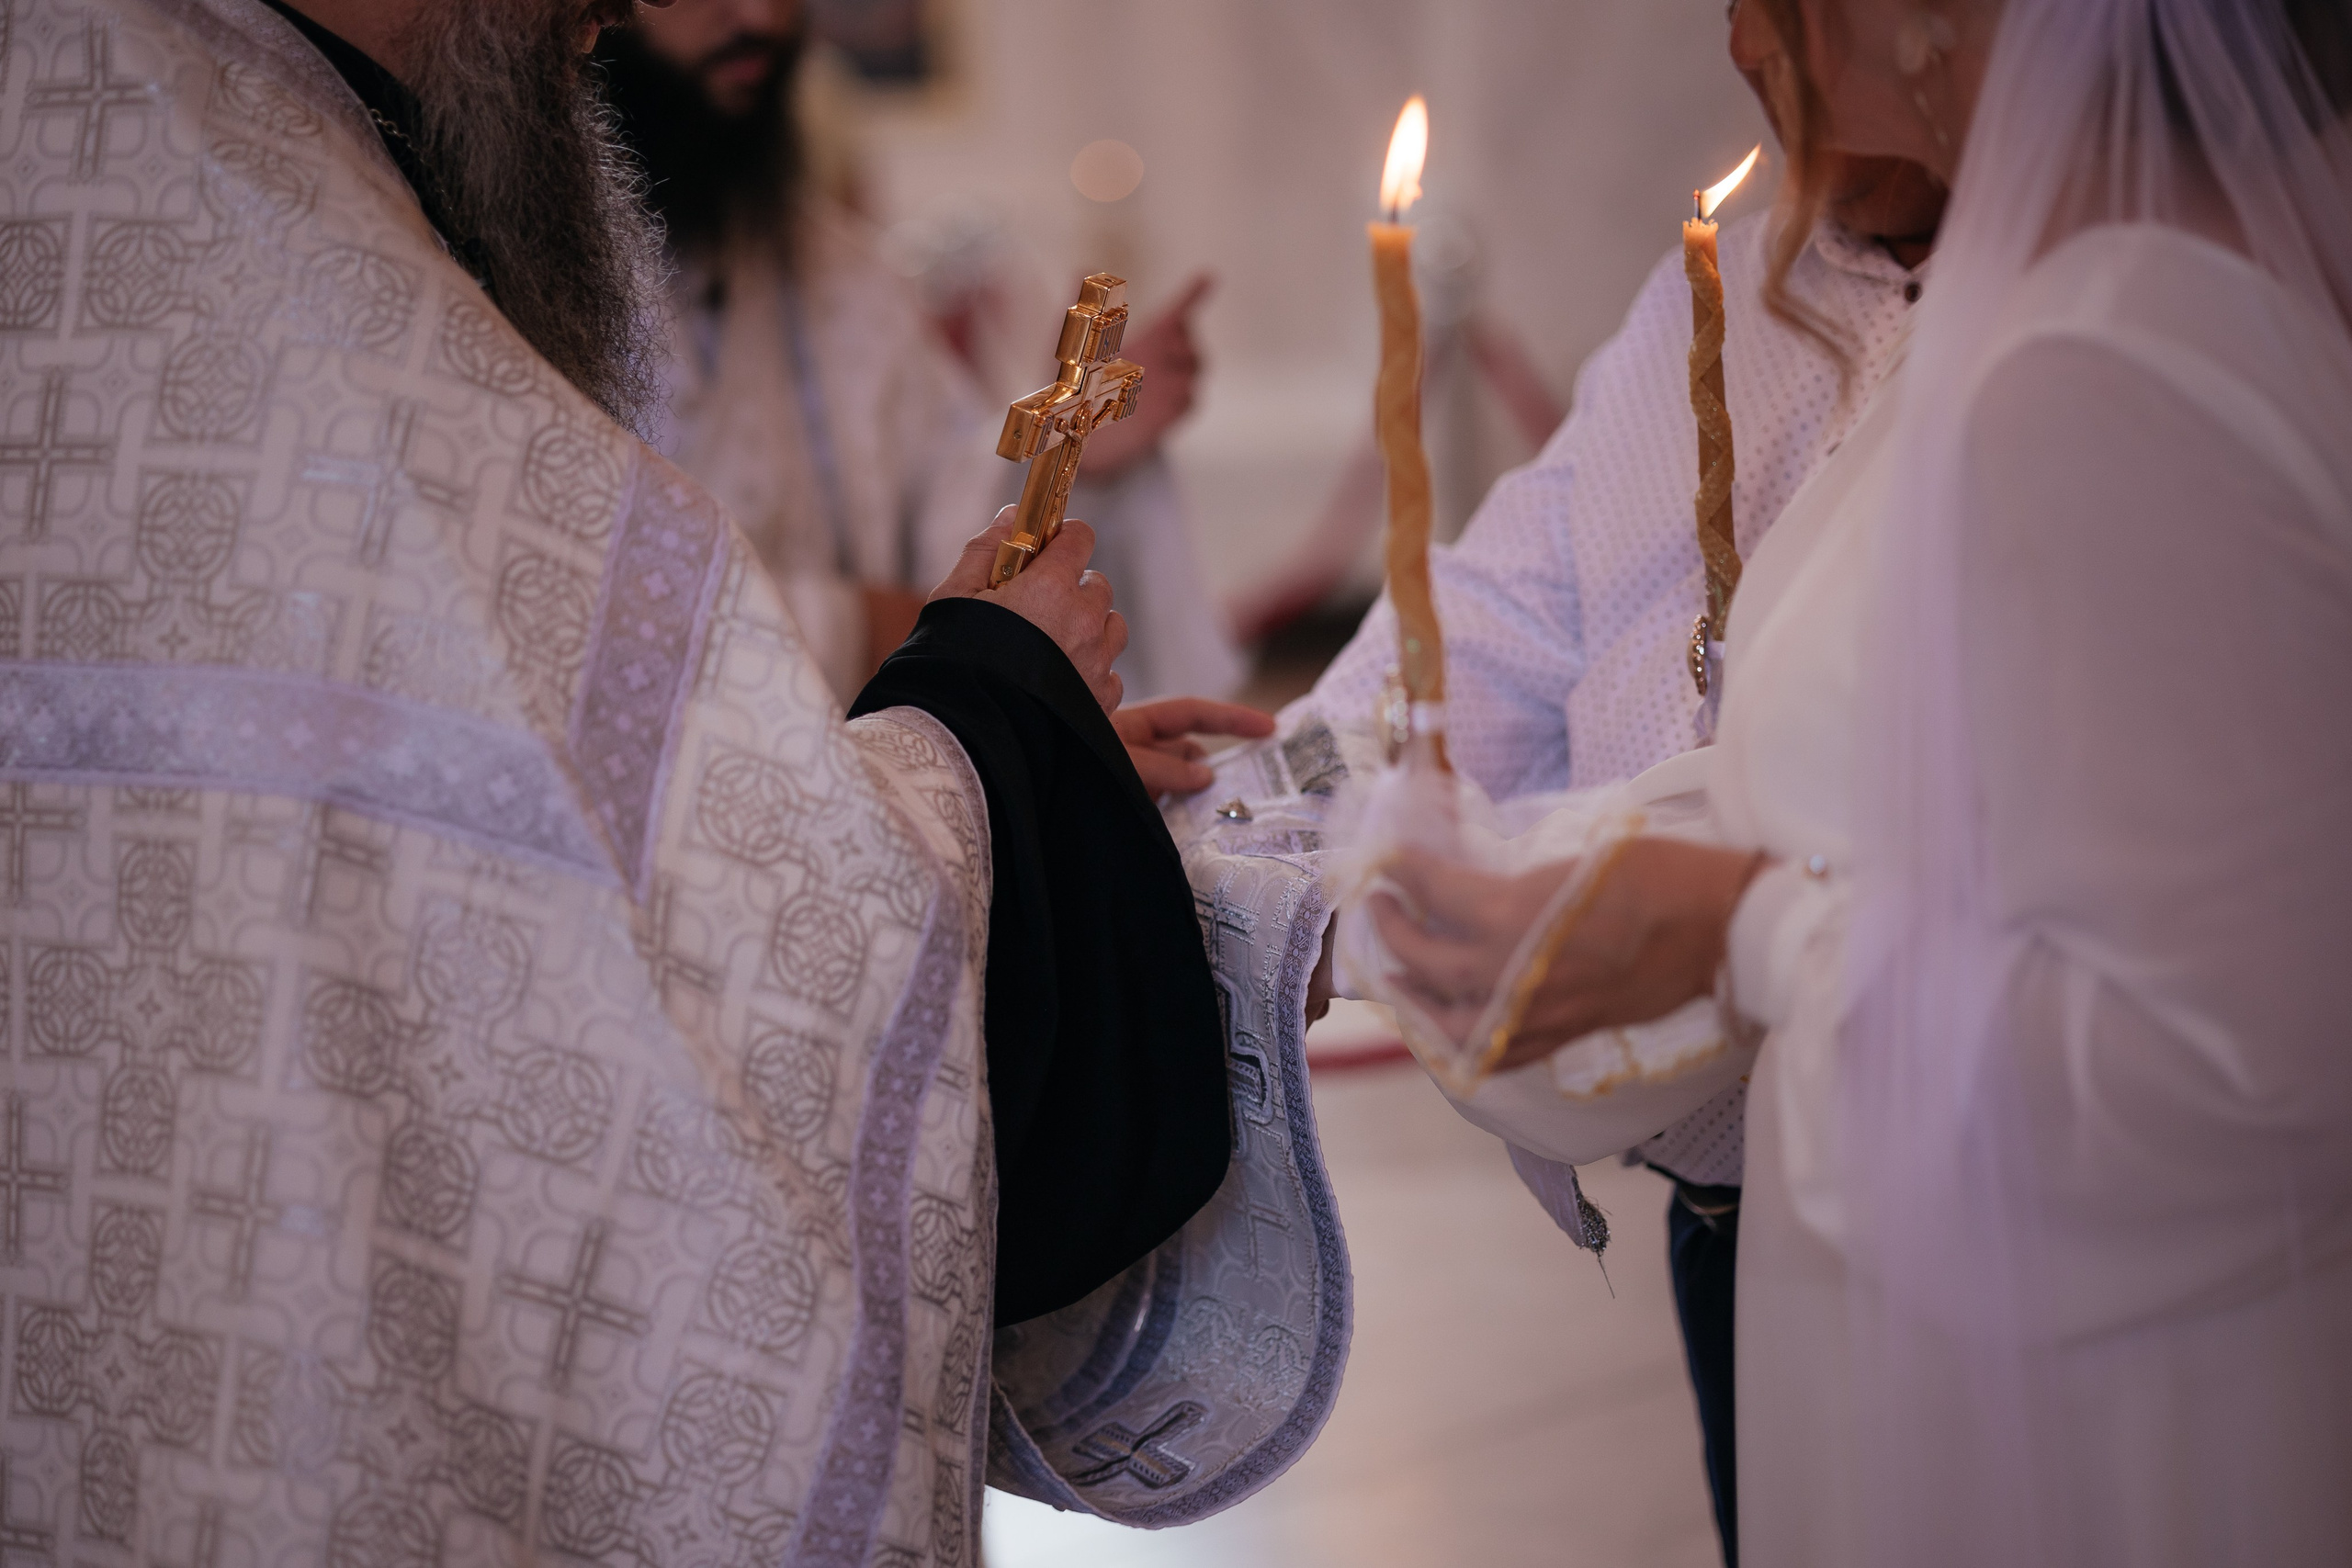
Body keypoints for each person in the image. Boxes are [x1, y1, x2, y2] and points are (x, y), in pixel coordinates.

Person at [0, 1, 1286, 1561]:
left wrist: (1039, 727)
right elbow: (679, 860)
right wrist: (988, 728)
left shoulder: (145, 157)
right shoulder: (307, 256)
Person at [1359, 0, 2352, 1562]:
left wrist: (1736, 931)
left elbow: (2242, 1066)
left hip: (2087, 1400)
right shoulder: (2035, 307)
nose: (1749, 34)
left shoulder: (2102, 356)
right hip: (1939, 1299)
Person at [1295, 4, 1942, 1555]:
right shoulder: (1713, 292)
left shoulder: (2089, 317)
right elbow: (1514, 608)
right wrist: (1290, 798)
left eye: (1793, 7)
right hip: (1732, 1223)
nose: (1743, 46)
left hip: (1969, 1181)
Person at [593, 0, 1246, 705]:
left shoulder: (837, 273)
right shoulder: (516, 290)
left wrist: (1079, 457)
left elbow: (944, 491)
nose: (759, 16)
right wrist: (858, 628)